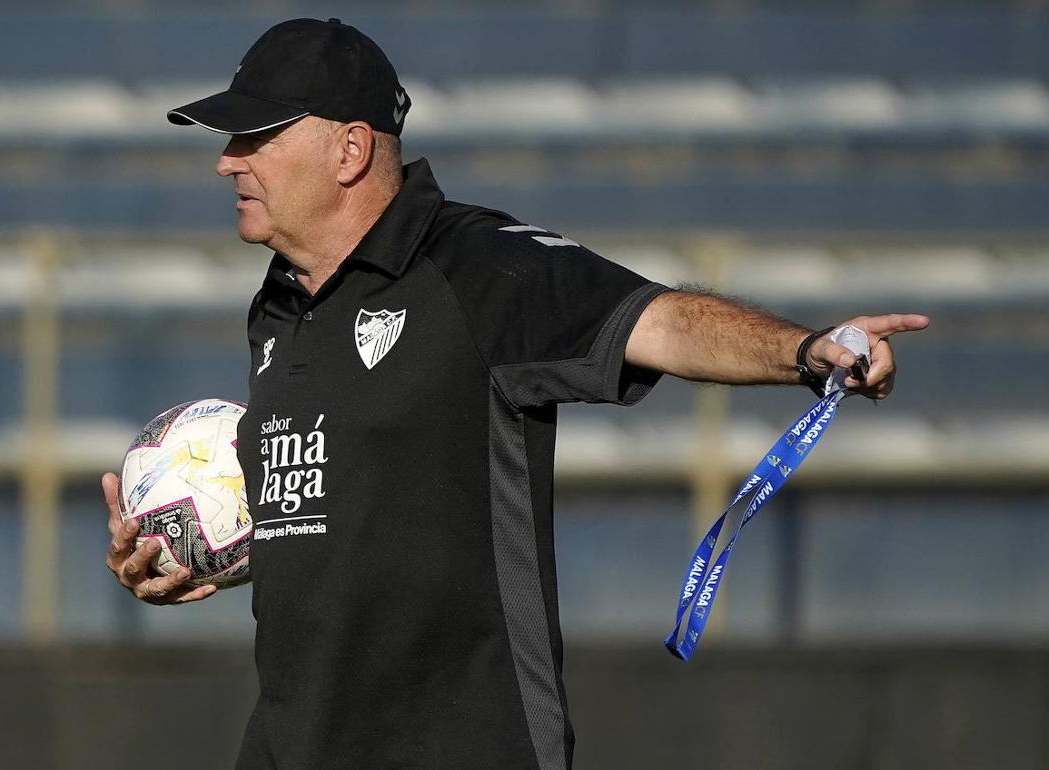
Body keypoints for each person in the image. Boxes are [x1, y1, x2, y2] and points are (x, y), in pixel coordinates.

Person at [102, 17, 929, 770]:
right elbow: (339, 514)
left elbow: (664, 322)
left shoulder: (483, 270)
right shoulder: (278, 305)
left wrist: (807, 350)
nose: (226, 159)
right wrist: (189, 551)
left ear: (350, 150)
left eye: (256, 134)